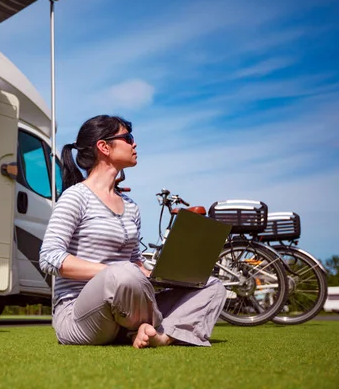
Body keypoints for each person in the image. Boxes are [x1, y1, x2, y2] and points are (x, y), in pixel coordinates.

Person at [39, 115, 226, 348]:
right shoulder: (76, 197)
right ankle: (158, 325)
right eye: (128, 138)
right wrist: (114, 272)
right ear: (104, 146)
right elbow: (49, 258)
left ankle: (160, 337)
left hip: (126, 308)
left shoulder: (131, 206)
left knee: (212, 285)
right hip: (78, 316)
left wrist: (162, 275)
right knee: (123, 274)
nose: (134, 144)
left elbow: (135, 263)